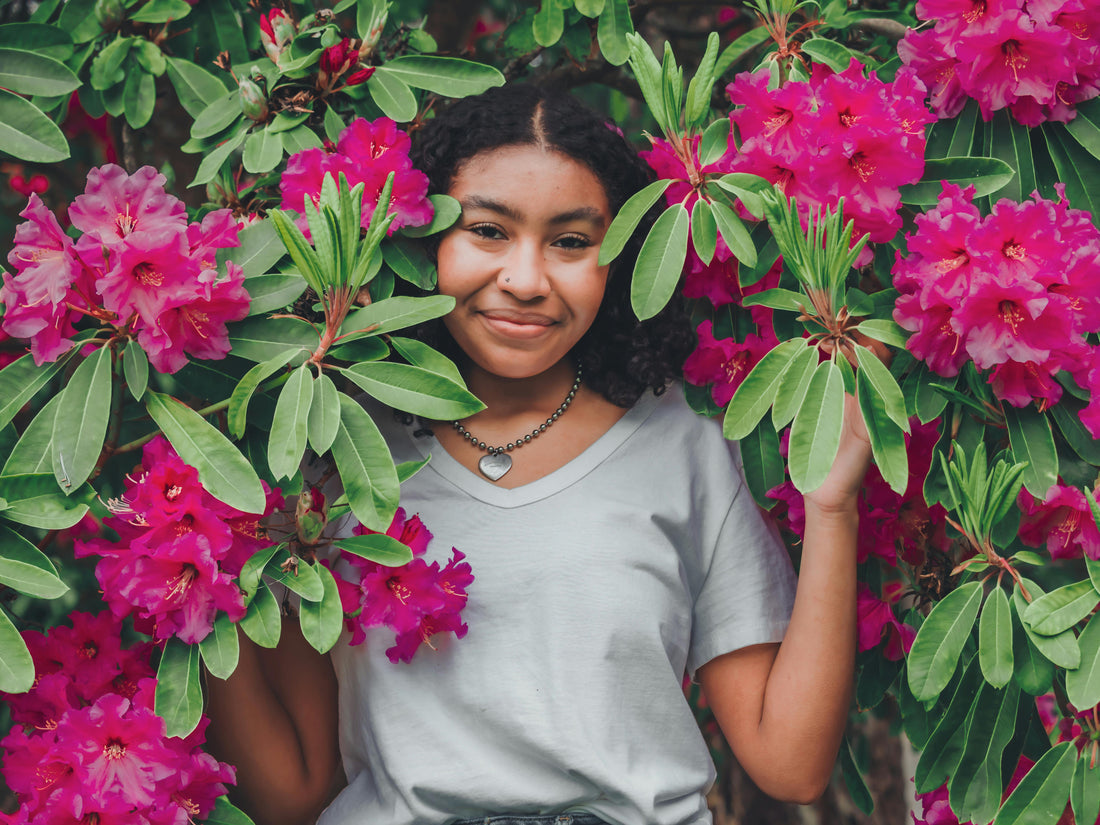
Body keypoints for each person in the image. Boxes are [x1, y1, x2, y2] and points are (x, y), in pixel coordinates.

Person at [205, 84, 872, 825]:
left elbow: (793, 763)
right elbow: (291, 791)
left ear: (618, 260)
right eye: (488, 231)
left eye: (571, 241)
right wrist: (198, 573)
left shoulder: (685, 444)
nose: (525, 280)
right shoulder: (336, 452)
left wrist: (832, 504)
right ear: (423, 239)